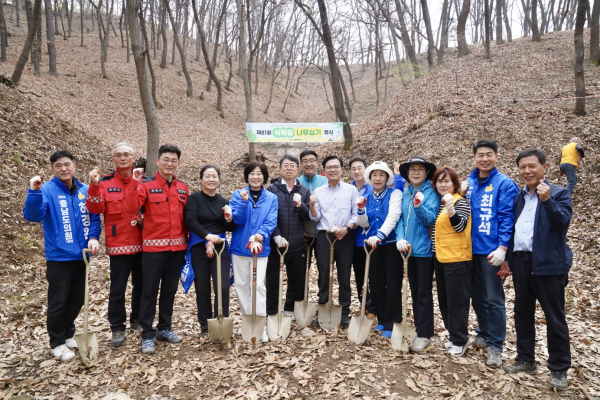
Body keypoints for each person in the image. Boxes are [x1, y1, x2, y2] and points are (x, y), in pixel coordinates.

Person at [503, 149, 572, 391]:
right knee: (522, 312)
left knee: (554, 317)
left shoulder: (559, 193)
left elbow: (562, 223)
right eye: (522, 167)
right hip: (521, 262)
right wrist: (508, 260)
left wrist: (547, 201)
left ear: (545, 167)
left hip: (549, 264)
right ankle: (526, 359)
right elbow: (514, 229)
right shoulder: (519, 197)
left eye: (532, 166)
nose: (527, 171)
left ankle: (559, 368)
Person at [23, 150, 101, 362]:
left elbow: (95, 216)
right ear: (52, 169)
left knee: (77, 298)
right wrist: (34, 192)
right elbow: (33, 216)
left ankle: (67, 334)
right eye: (58, 165)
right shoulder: (46, 190)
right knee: (58, 301)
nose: (63, 168)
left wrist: (93, 237)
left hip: (83, 256)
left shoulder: (85, 189)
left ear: (74, 166)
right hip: (59, 257)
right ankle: (56, 342)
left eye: (67, 164)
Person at [125, 144, 189, 354]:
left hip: (177, 249)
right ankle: (147, 334)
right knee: (149, 291)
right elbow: (131, 207)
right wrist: (134, 183)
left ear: (178, 163)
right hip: (153, 250)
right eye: (166, 159)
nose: (169, 164)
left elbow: (187, 218)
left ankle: (165, 328)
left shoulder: (183, 188)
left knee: (170, 290)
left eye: (173, 160)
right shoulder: (145, 185)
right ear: (157, 161)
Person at [465, 139, 519, 367]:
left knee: (494, 298)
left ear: (496, 156)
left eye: (489, 154)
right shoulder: (467, 183)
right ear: (474, 158)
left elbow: (508, 218)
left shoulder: (504, 184)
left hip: (492, 252)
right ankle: (483, 332)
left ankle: (495, 345)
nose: (485, 159)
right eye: (480, 155)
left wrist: (503, 249)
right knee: (476, 296)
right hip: (469, 250)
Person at [86, 143, 145, 347]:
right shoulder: (104, 182)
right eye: (118, 155)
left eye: (126, 154)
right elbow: (95, 208)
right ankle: (117, 327)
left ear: (134, 157)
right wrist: (94, 185)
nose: (122, 158)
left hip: (143, 240)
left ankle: (138, 319)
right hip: (118, 242)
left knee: (141, 285)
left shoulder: (144, 180)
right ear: (113, 160)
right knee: (117, 287)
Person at [184, 165, 236, 338]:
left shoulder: (224, 202)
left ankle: (221, 322)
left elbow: (230, 227)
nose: (211, 179)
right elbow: (190, 220)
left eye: (214, 176)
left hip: (221, 248)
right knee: (202, 288)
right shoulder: (194, 199)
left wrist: (229, 217)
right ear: (201, 180)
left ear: (219, 180)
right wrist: (207, 236)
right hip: (200, 246)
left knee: (222, 287)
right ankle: (205, 326)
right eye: (207, 176)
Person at [395, 157, 440, 352]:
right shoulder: (406, 192)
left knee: (423, 293)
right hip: (406, 250)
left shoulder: (432, 192)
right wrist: (399, 238)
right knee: (413, 290)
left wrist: (419, 205)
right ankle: (416, 328)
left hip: (423, 251)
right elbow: (400, 219)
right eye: (412, 169)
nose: (415, 172)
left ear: (426, 173)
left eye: (420, 169)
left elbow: (430, 218)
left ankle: (424, 334)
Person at [229, 161, 278, 342]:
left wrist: (260, 235)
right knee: (242, 285)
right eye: (252, 173)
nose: (255, 177)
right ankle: (247, 321)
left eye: (259, 174)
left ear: (264, 177)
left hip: (261, 250)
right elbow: (237, 220)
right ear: (247, 176)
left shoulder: (272, 198)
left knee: (258, 286)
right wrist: (243, 202)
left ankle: (260, 324)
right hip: (240, 248)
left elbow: (271, 221)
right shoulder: (238, 194)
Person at [309, 155, 359, 329]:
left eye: (336, 167)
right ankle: (323, 309)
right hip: (325, 236)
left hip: (346, 236)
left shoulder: (351, 190)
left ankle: (344, 313)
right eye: (329, 167)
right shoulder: (319, 191)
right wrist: (312, 206)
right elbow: (315, 218)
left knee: (344, 275)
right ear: (324, 171)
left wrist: (347, 228)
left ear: (342, 170)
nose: (332, 170)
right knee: (324, 275)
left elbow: (356, 214)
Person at [356, 161, 402, 338]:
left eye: (381, 175)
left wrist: (380, 235)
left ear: (387, 178)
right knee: (376, 284)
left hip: (390, 245)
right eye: (374, 175)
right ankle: (382, 318)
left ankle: (393, 321)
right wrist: (360, 210)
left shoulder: (394, 193)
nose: (377, 178)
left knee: (393, 283)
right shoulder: (367, 196)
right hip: (373, 246)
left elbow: (393, 216)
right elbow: (364, 224)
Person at [431, 166, 473, 357]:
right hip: (441, 258)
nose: (443, 185)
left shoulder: (460, 202)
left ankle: (460, 339)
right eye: (439, 181)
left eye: (447, 181)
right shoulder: (440, 203)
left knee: (457, 302)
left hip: (457, 259)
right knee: (445, 300)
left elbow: (459, 227)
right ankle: (453, 336)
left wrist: (450, 208)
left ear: (455, 184)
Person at [265, 155, 312, 319]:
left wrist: (300, 206)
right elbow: (268, 217)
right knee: (273, 279)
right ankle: (272, 310)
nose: (289, 168)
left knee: (297, 278)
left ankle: (290, 309)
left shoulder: (304, 191)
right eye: (285, 165)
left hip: (297, 243)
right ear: (279, 169)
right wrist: (276, 236)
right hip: (275, 243)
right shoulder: (271, 190)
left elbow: (308, 216)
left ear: (298, 169)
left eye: (293, 165)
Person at [349, 156, 375, 315]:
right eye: (353, 169)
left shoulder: (373, 189)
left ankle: (375, 305)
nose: (357, 171)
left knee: (373, 274)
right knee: (359, 274)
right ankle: (364, 304)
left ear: (366, 170)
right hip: (353, 239)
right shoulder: (348, 189)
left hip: (371, 238)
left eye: (360, 168)